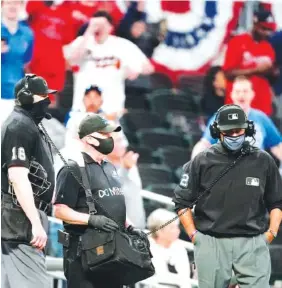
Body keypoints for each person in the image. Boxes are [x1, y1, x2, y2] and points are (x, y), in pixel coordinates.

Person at [173, 104, 282, 288]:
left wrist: (270, 233)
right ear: (217, 131)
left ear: (248, 129)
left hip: (253, 242)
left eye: (238, 130)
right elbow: (182, 203)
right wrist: (194, 236)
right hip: (211, 242)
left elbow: (276, 202)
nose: (234, 136)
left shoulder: (263, 160)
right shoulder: (201, 160)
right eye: (228, 131)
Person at [54, 113, 144, 288]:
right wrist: (91, 219)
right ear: (89, 138)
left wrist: (130, 226)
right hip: (83, 256)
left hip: (110, 254)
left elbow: (113, 203)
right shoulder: (73, 168)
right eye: (105, 134)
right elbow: (59, 210)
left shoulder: (109, 167)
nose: (110, 138)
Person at [1, 74, 57, 288]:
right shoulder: (19, 126)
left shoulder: (28, 124)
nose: (47, 101)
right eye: (42, 96)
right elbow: (17, 176)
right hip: (21, 219)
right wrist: (34, 222)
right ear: (25, 98)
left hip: (20, 217)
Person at [64, 10, 154, 115]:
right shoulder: (82, 42)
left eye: (102, 25)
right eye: (96, 24)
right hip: (83, 110)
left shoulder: (122, 45)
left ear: (110, 27)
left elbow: (148, 68)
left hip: (111, 110)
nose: (99, 28)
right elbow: (71, 61)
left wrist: (136, 70)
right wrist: (89, 31)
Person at [192, 76, 282, 161]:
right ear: (232, 95)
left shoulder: (261, 118)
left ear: (252, 94)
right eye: (238, 91)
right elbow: (204, 144)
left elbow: (277, 146)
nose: (241, 95)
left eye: (245, 91)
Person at [223, 10, 277, 116]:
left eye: (269, 30)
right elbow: (228, 74)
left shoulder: (268, 46)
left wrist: (273, 71)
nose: (267, 33)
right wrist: (256, 70)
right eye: (264, 29)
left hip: (262, 106)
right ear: (255, 25)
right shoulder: (237, 42)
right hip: (239, 106)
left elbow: (272, 77)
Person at [1, 0, 34, 123]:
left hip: (16, 95)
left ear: (21, 6)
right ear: (2, 5)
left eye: (16, 3)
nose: (12, 6)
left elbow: (26, 62)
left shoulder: (28, 33)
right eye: (9, 3)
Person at [107, 132, 146, 229]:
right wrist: (125, 168)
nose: (122, 144)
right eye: (117, 141)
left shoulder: (130, 163)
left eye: (122, 139)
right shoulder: (99, 166)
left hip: (137, 228)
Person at [147, 209, 192, 288]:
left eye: (176, 227)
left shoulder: (179, 248)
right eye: (172, 228)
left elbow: (185, 280)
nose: (177, 231)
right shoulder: (146, 247)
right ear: (159, 231)